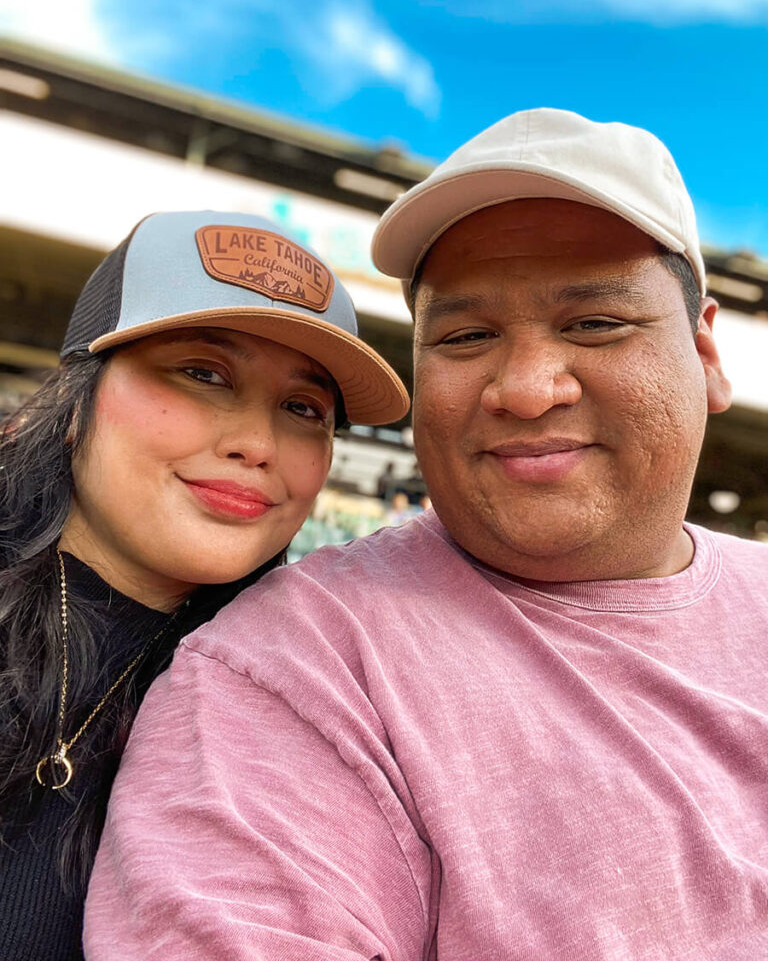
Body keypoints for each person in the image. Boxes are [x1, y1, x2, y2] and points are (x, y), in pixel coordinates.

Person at [84, 112, 768, 959]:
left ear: (705, 352)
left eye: (595, 323)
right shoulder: (298, 668)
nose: (525, 389)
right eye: (466, 336)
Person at [0, 209, 408, 961]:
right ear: (77, 399)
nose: (256, 444)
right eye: (203, 374)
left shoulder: (299, 699)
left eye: (303, 409)